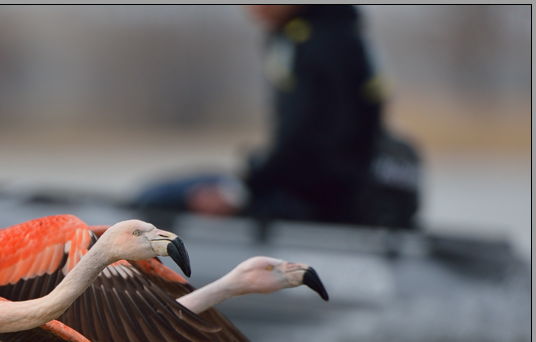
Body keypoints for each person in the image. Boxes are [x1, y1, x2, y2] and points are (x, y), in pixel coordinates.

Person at [134, 5, 417, 227]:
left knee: (156, 199)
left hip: (315, 198)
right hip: (314, 188)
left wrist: (241, 192)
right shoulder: (332, 31)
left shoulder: (321, 43)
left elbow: (313, 142)